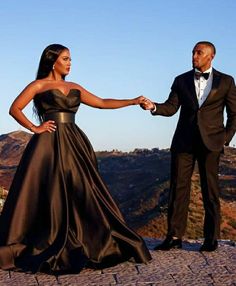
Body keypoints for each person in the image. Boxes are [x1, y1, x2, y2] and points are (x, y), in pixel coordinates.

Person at [0, 44, 151, 273]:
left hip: (74, 142)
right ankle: (44, 237)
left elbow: (101, 102)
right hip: (47, 144)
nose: (70, 63)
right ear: (53, 61)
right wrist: (35, 127)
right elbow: (15, 108)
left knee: (82, 188)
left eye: (70, 59)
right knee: (48, 190)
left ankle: (87, 237)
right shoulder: (38, 85)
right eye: (66, 59)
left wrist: (131, 101)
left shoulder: (75, 86)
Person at [141, 41, 236, 252]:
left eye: (199, 53)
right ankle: (174, 236)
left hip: (211, 143)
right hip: (183, 142)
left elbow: (234, 114)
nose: (194, 56)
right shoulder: (181, 80)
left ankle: (211, 238)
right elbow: (171, 107)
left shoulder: (226, 81)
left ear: (211, 56)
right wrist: (153, 107)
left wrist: (225, 139)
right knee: (178, 189)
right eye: (193, 52)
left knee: (210, 191)